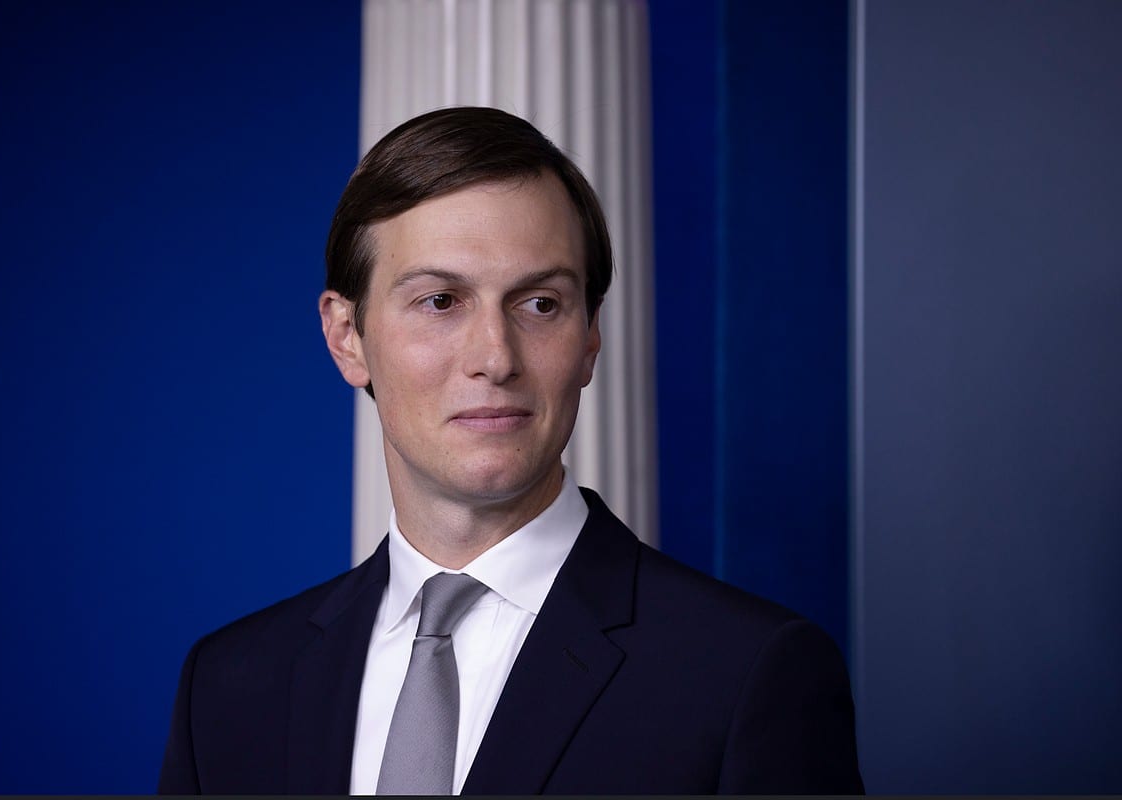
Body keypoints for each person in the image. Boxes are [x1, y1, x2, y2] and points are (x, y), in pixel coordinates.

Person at [157, 106, 864, 795]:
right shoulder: (227, 687)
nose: (496, 358)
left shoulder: (747, 674)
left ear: (589, 338)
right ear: (347, 337)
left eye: (540, 304)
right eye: (440, 301)